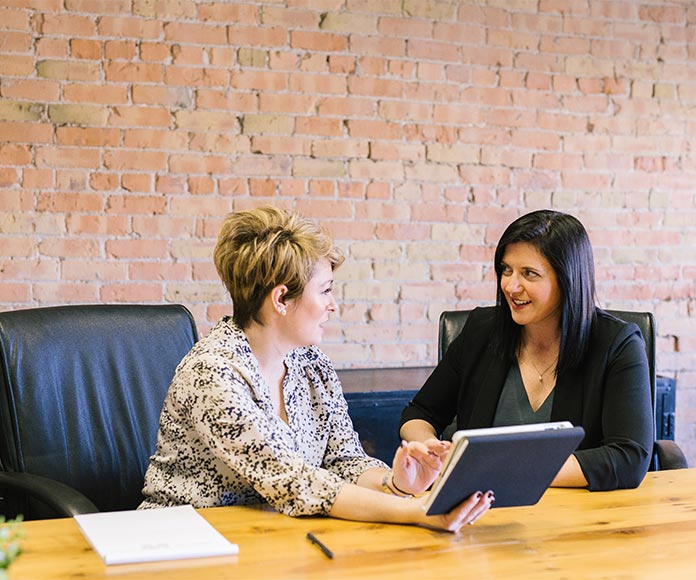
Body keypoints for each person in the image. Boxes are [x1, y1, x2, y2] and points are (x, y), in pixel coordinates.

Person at [140, 206, 492, 532]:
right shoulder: (212, 374)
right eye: (325, 291)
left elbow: (344, 460)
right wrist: (417, 511)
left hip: (274, 536)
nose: (333, 305)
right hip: (182, 540)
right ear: (280, 299)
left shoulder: (311, 363)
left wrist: (397, 484)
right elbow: (294, 481)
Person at [400, 209, 653, 491]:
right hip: (479, 510)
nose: (510, 285)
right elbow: (419, 413)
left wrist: (503, 470)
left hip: (578, 514)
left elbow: (629, 457)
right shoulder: (481, 330)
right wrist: (428, 449)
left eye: (529, 274)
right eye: (506, 270)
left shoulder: (617, 344)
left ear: (567, 279)